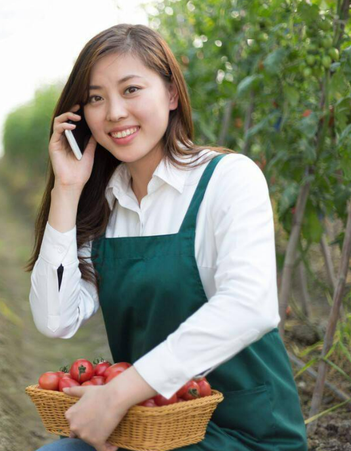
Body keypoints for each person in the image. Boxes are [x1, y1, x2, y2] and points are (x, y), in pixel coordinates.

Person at [27, 24, 308, 451]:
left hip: (247, 432)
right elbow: (55, 319)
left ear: (172, 95)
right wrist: (66, 189)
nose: (114, 112)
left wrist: (118, 394)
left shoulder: (228, 179)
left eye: (131, 89)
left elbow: (250, 305)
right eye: (96, 98)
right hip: (151, 428)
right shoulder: (103, 205)